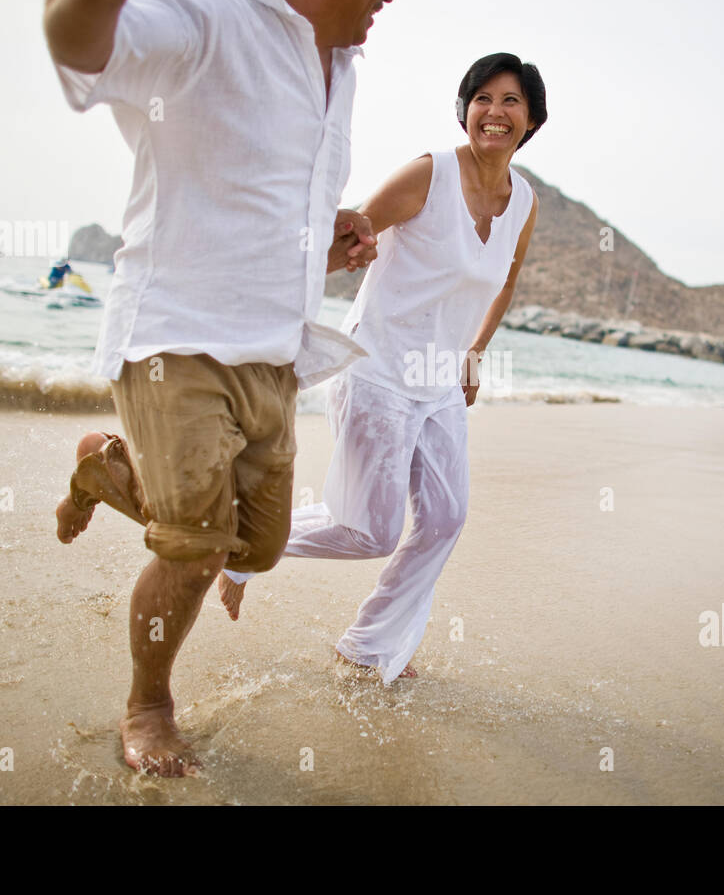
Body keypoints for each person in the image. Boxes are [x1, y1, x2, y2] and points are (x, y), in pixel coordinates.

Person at [44, 0, 397, 777]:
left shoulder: (338, 68)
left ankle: (107, 470)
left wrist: (326, 235)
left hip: (274, 355)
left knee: (256, 549)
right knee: (198, 548)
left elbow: (261, 194)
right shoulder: (212, 21)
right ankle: (148, 705)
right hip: (176, 343)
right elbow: (80, 49)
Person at [218, 53, 545, 685]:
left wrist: (475, 350)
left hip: (440, 382)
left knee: (446, 519)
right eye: (482, 98)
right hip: (377, 370)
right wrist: (349, 239)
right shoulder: (430, 175)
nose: (494, 112)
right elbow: (357, 230)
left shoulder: (523, 201)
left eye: (510, 101)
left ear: (530, 120)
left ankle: (370, 646)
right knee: (367, 531)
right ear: (465, 109)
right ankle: (237, 536)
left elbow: (505, 279)